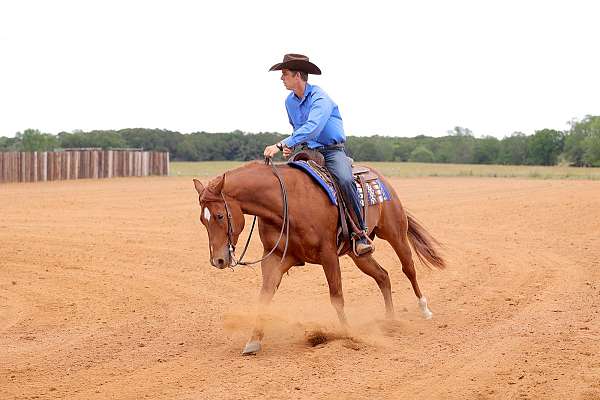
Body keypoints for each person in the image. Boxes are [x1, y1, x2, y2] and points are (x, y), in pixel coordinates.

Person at [263, 53, 373, 255]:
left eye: (284, 74)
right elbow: (299, 130)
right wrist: (292, 146)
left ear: (297, 75)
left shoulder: (320, 98)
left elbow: (313, 127)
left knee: (345, 180)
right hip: (307, 150)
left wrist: (280, 145)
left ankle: (360, 233)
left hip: (332, 151)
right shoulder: (290, 102)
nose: (281, 78)